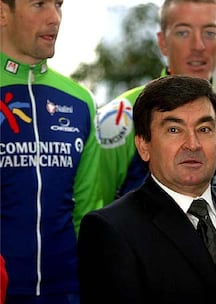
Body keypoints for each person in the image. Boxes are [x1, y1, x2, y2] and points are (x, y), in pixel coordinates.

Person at [78, 75, 216, 303]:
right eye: (174, 130)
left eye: (204, 129)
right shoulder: (110, 229)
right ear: (144, 145)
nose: (192, 144)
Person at [97, 0, 216, 205]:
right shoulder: (121, 118)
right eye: (183, 32)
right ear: (162, 42)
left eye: (209, 33)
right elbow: (94, 214)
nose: (198, 46)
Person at [0, 0, 102, 303]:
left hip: (68, 291)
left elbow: (88, 210)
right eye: (39, 4)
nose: (54, 18)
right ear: (3, 12)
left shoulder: (80, 101)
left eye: (58, 5)